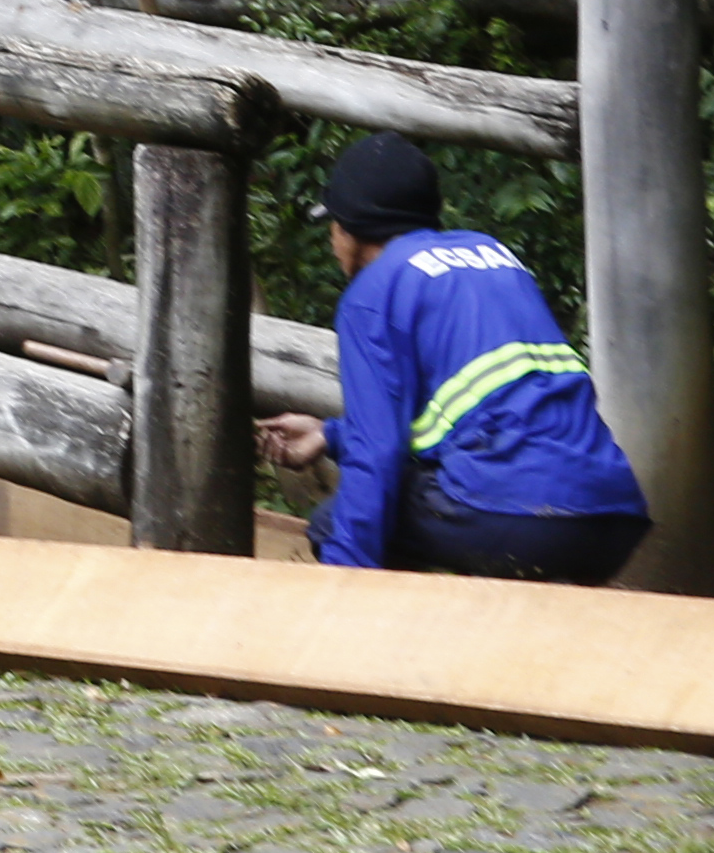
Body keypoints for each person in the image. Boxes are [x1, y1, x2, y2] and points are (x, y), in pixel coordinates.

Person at [255, 131, 650, 583]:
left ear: (350, 228)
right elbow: (495, 413)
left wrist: (343, 587)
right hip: (613, 516)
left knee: (336, 525)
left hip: (520, 517)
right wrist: (329, 435)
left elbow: (377, 456)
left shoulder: (372, 293)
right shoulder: (493, 255)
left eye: (333, 227)